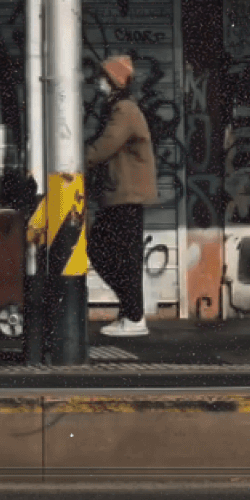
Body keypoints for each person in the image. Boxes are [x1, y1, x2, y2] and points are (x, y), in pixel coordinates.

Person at [85, 54, 156, 338]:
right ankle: (130, 312)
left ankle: (135, 316)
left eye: (103, 77)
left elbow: (107, 144)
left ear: (114, 81)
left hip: (126, 194)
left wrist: (76, 160)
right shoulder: (119, 107)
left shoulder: (124, 109)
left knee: (110, 252)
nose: (99, 83)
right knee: (115, 253)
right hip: (118, 194)